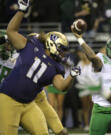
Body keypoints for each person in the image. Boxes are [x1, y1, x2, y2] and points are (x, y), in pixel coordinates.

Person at [0, 0, 80, 134]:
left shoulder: (56, 67)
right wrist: (21, 10)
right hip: (8, 98)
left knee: (43, 133)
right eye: (61, 49)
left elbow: (61, 86)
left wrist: (71, 76)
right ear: (52, 43)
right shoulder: (32, 45)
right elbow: (11, 31)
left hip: (29, 102)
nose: (62, 53)